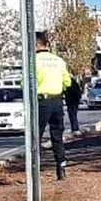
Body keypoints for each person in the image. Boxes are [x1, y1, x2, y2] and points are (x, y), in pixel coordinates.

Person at [35, 31, 73, 180]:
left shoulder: (33, 61)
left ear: (36, 44)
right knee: (57, 136)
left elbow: (25, 83)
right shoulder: (59, 61)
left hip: (42, 101)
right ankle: (61, 168)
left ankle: (35, 170)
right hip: (57, 101)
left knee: (35, 137)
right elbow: (68, 82)